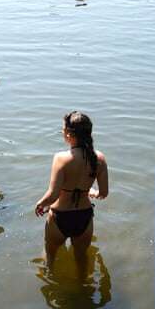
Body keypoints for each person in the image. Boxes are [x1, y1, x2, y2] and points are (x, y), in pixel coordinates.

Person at [34, 111, 108, 268]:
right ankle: (83, 288)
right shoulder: (99, 158)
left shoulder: (61, 158)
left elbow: (53, 195)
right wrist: (90, 191)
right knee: (81, 258)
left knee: (50, 257)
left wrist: (40, 204)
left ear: (69, 134)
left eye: (63, 129)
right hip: (84, 216)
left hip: (60, 216)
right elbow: (103, 193)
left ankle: (51, 287)